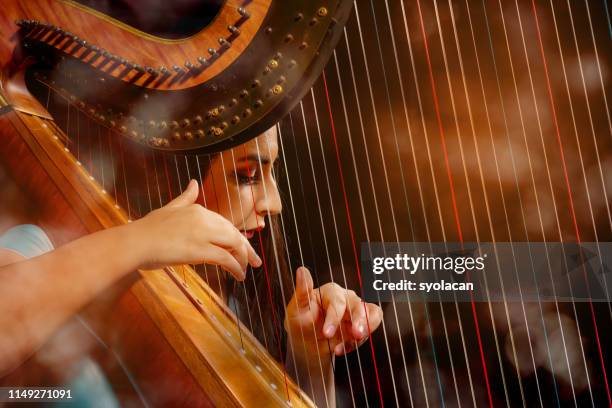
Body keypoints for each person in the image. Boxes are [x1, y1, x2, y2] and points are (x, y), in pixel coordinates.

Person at [0, 126, 383, 406]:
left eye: (273, 173)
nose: (275, 201)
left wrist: (309, 359)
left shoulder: (234, 305)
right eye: (248, 175)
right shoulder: (42, 247)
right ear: (171, 173)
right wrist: (141, 240)